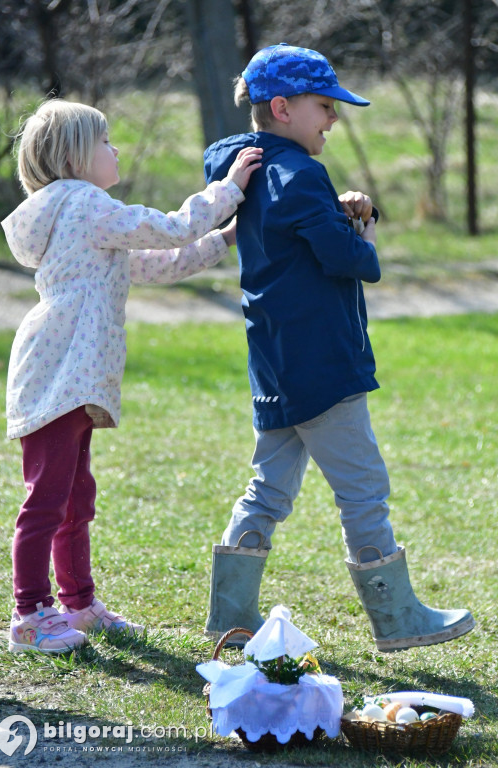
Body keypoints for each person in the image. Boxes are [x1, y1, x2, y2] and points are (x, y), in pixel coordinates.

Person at [202, 43, 475, 652]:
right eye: (325, 106)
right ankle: (399, 621)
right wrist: (363, 225)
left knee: (267, 491)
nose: (333, 118)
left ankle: (230, 621)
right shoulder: (301, 176)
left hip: (274, 364)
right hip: (324, 365)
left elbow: (299, 234)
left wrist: (337, 207)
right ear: (282, 108)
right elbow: (350, 260)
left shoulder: (243, 171)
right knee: (364, 492)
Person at [2, 99, 262, 654]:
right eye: (105, 142)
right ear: (74, 155)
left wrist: (226, 238)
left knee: (75, 497)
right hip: (58, 373)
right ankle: (30, 614)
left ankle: (78, 605)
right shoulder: (85, 204)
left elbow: (158, 264)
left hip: (64, 373)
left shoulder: (78, 217)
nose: (114, 150)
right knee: (48, 500)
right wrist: (229, 188)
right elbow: (168, 230)